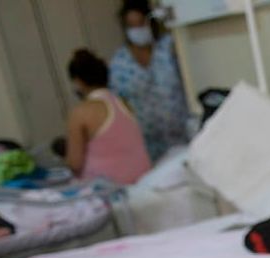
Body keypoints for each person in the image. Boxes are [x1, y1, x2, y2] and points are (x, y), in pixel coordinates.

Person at [109, 0, 190, 162]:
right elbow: (119, 104)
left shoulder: (168, 48)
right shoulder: (120, 62)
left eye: (141, 23)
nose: (138, 30)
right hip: (146, 145)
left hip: (182, 134)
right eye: (132, 26)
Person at [64, 49, 151, 184]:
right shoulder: (123, 104)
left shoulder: (81, 112)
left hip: (106, 189)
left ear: (78, 82)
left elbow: (75, 164)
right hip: (141, 180)